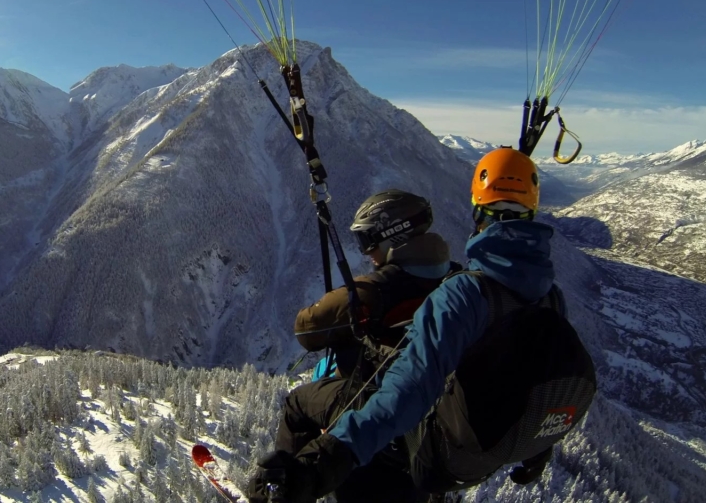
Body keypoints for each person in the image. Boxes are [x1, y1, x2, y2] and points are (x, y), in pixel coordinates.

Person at [247, 148, 597, 503]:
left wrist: (325, 461)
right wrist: (537, 448)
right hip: (482, 451)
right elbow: (538, 377)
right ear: (533, 213)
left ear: (477, 212)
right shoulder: (551, 297)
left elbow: (410, 389)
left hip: (430, 443)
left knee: (300, 405)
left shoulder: (465, 293)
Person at [259, 189, 462, 501]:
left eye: (368, 240)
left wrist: (351, 301)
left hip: (376, 401)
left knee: (298, 404)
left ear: (392, 236)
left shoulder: (372, 292)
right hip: (437, 411)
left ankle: (289, 487)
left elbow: (306, 330)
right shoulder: (459, 280)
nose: (366, 251)